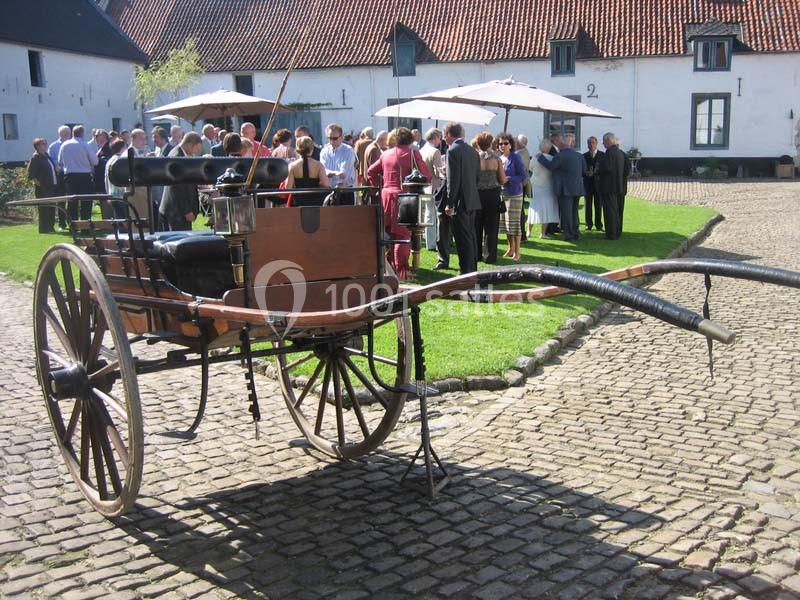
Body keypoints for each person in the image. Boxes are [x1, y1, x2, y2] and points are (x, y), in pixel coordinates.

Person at [366, 127, 431, 280]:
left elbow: (371, 171)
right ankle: (402, 271)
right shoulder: (413, 154)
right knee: (403, 236)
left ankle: (389, 267)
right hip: (404, 198)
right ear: (411, 140)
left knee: (388, 234)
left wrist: (380, 187)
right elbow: (426, 176)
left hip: (386, 196)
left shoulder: (386, 154)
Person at [435, 122, 480, 274]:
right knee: (471, 236)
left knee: (462, 238)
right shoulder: (472, 151)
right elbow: (476, 177)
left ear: (448, 135)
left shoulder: (452, 151)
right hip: (472, 198)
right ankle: (471, 268)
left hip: (460, 201)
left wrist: (450, 203)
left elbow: (453, 181)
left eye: (443, 134)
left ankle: (466, 271)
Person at [537, 133, 586, 242]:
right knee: (574, 212)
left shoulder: (560, 155)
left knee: (567, 212)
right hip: (577, 187)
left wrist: (541, 158)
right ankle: (575, 232)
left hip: (565, 188)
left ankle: (569, 234)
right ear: (571, 144)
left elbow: (551, 166)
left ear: (563, 144)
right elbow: (584, 171)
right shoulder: (579, 155)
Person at [473, 132, 507, 264]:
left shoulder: (475, 158)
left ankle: (476, 254)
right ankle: (490, 256)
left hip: (477, 193)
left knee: (476, 225)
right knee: (492, 227)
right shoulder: (497, 158)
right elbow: (503, 179)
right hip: (493, 194)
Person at [159, 132, 202, 231]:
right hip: (177, 212)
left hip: (177, 210)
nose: (196, 152)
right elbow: (177, 187)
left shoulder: (179, 153)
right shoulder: (178, 156)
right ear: (190, 144)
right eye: (196, 148)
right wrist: (186, 211)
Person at [497, 133, 527, 261]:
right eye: (500, 144)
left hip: (515, 193)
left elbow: (523, 176)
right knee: (505, 223)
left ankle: (517, 251)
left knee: (514, 224)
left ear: (510, 145)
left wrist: (510, 178)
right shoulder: (499, 158)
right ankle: (510, 248)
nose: (503, 146)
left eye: (505, 143)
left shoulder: (515, 157)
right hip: (502, 193)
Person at [58, 124, 98, 220]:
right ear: (82, 133)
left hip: (69, 176)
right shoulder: (85, 145)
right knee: (86, 201)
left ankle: (73, 224)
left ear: (73, 133)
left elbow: (60, 161)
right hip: (84, 176)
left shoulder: (64, 145)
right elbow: (95, 162)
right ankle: (85, 225)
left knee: (72, 201)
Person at [596, 132, 630, 240]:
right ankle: (617, 231)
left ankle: (611, 234)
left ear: (609, 140)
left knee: (610, 212)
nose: (603, 143)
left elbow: (607, 168)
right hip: (619, 187)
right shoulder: (621, 153)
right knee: (617, 211)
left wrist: (598, 170)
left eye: (604, 141)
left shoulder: (610, 152)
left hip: (609, 187)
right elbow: (626, 171)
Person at [284, 136, 330, 207]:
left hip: (298, 202)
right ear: (312, 149)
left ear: (297, 148)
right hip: (316, 202)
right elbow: (326, 184)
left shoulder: (292, 166)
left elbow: (288, 188)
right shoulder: (318, 165)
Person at [528, 139, 560, 239]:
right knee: (547, 209)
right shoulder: (552, 158)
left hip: (536, 185)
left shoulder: (535, 157)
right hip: (547, 185)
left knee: (533, 208)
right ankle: (542, 233)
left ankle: (529, 231)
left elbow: (530, 168)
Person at [420, 128, 445, 251]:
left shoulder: (421, 150)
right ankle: (432, 243)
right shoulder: (435, 151)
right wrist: (445, 170)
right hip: (434, 185)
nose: (440, 140)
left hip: (423, 185)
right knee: (432, 215)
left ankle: (429, 240)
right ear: (435, 138)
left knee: (427, 214)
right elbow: (439, 171)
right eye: (440, 138)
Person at [27, 137, 57, 233]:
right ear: (37, 146)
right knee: (44, 209)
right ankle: (44, 229)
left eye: (45, 143)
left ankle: (50, 227)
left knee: (51, 208)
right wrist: (39, 184)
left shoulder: (46, 155)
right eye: (43, 144)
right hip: (43, 188)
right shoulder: (36, 157)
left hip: (51, 186)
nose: (45, 145)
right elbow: (31, 174)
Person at [320, 123, 356, 192]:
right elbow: (323, 171)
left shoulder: (348, 150)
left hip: (345, 190)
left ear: (342, 137)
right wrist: (336, 173)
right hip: (329, 189)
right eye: (330, 138)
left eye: (335, 138)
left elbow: (344, 173)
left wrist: (331, 174)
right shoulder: (324, 151)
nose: (332, 141)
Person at [583, 136, 604, 231]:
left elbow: (604, 169)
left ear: (596, 143)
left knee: (598, 205)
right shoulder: (584, 156)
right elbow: (582, 169)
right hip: (587, 184)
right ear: (587, 144)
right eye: (589, 143)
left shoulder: (602, 155)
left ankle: (598, 224)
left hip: (599, 184)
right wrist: (586, 173)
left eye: (593, 142)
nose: (591, 144)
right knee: (588, 205)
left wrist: (596, 173)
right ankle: (588, 224)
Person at [516, 134, 532, 240]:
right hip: (521, 184)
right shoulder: (524, 152)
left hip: (518, 185)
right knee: (520, 210)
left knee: (519, 210)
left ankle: (521, 233)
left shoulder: (520, 153)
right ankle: (522, 233)